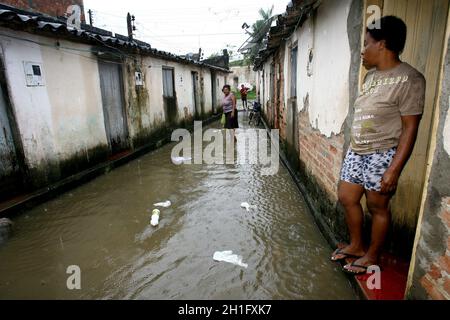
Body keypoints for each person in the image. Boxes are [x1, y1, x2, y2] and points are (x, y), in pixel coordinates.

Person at [330, 16, 426, 275]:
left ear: (382, 44)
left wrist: (393, 169)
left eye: (366, 44)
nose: (362, 50)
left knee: (377, 206)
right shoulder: (370, 77)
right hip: (357, 150)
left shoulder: (410, 79)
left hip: (383, 153)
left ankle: (372, 256)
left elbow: (410, 127)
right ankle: (357, 246)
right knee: (347, 197)